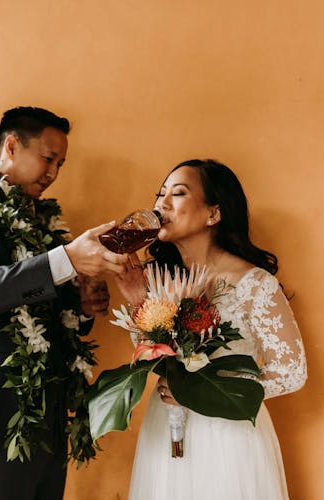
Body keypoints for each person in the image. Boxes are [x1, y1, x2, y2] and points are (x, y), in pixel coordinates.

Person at [0, 106, 128, 500]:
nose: (53, 172)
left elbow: (44, 313)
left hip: (47, 425)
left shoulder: (44, 226)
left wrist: (82, 308)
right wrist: (66, 260)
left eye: (61, 163)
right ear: (11, 145)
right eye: (48, 157)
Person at [115, 159, 308, 500]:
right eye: (160, 195)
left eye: (178, 193)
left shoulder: (254, 284)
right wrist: (136, 300)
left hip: (229, 434)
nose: (162, 204)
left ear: (213, 214)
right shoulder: (159, 280)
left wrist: (207, 393)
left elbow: (292, 372)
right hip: (166, 430)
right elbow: (150, 351)